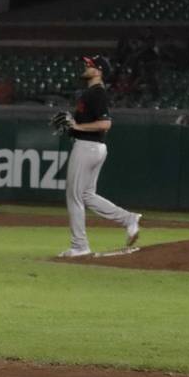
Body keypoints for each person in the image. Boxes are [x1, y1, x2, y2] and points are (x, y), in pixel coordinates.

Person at [56, 55, 141, 258]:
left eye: (90, 65)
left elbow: (105, 124)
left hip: (88, 147)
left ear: (99, 70)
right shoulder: (91, 93)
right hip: (92, 147)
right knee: (86, 196)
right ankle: (128, 219)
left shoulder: (97, 93)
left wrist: (77, 126)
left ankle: (79, 246)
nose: (86, 66)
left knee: (74, 197)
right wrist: (71, 125)